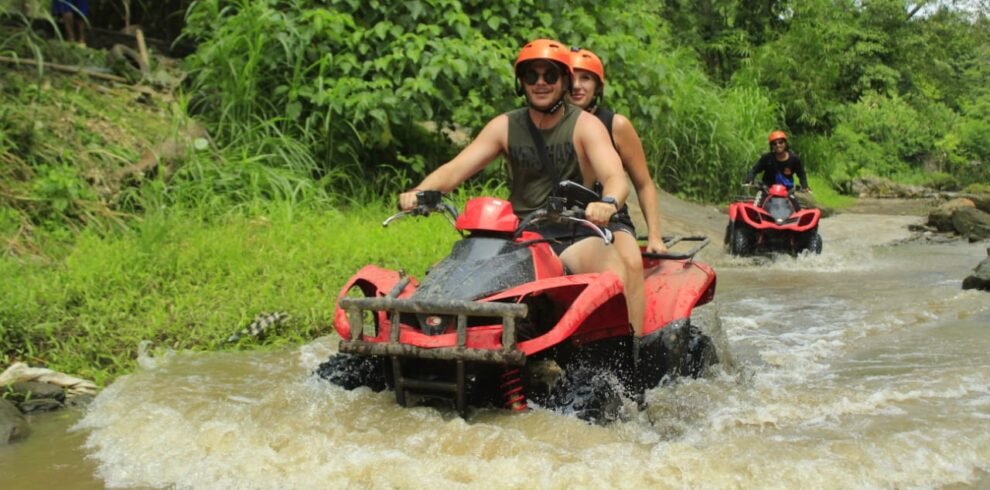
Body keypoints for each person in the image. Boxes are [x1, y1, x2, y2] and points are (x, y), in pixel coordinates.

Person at [398, 38, 645, 337]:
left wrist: (608, 202)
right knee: (447, 276)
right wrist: (419, 193)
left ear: (564, 81)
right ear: (521, 83)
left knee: (611, 269)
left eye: (549, 76)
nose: (540, 83)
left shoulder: (585, 125)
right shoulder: (504, 126)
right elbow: (455, 169)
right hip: (521, 236)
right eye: (532, 76)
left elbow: (615, 176)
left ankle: (621, 356)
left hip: (573, 232)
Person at [746, 130, 809, 208]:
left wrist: (804, 186)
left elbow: (801, 174)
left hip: (787, 192)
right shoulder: (767, 158)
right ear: (772, 146)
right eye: (774, 143)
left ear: (785, 143)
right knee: (757, 208)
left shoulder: (794, 159)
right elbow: (754, 170)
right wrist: (750, 179)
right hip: (767, 190)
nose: (778, 145)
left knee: (796, 209)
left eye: (780, 142)